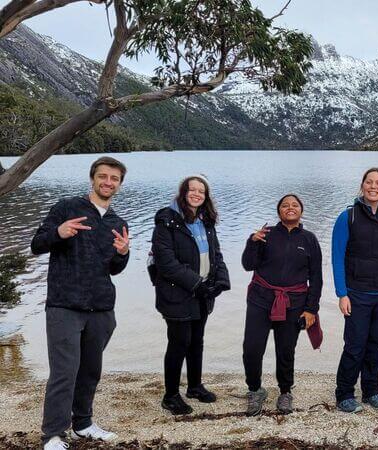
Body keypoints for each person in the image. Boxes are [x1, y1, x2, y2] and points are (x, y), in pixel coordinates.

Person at [32, 157, 130, 450]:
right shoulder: (67, 208)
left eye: (114, 178)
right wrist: (58, 233)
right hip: (65, 305)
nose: (108, 182)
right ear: (92, 178)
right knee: (64, 372)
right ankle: (52, 434)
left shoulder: (117, 222)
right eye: (103, 176)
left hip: (101, 308)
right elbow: (37, 244)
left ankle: (83, 424)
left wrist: (123, 253)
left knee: (90, 371)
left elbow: (113, 269)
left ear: (120, 185)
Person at [331, 167, 378, 413]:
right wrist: (341, 293)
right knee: (355, 345)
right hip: (357, 293)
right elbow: (337, 257)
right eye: (369, 182)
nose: (373, 186)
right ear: (362, 185)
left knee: (376, 344)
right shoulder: (348, 217)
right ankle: (344, 393)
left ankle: (371, 391)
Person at [151, 175, 230, 415]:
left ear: (206, 197)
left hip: (202, 293)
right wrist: (197, 284)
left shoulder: (205, 221)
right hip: (177, 293)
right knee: (179, 343)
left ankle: (194, 386)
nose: (196, 194)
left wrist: (221, 281)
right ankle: (171, 395)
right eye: (192, 190)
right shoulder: (167, 220)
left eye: (201, 191)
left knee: (197, 341)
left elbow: (215, 254)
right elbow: (166, 263)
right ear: (183, 192)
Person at [241, 194, 323, 415]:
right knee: (252, 348)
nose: (290, 208)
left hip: (294, 303)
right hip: (260, 299)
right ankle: (255, 390)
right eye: (285, 205)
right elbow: (248, 265)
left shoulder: (309, 239)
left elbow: (316, 278)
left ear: (301, 211)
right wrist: (252, 242)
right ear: (278, 211)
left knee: (286, 350)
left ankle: (285, 391)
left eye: (295, 205)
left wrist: (311, 309)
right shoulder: (265, 235)